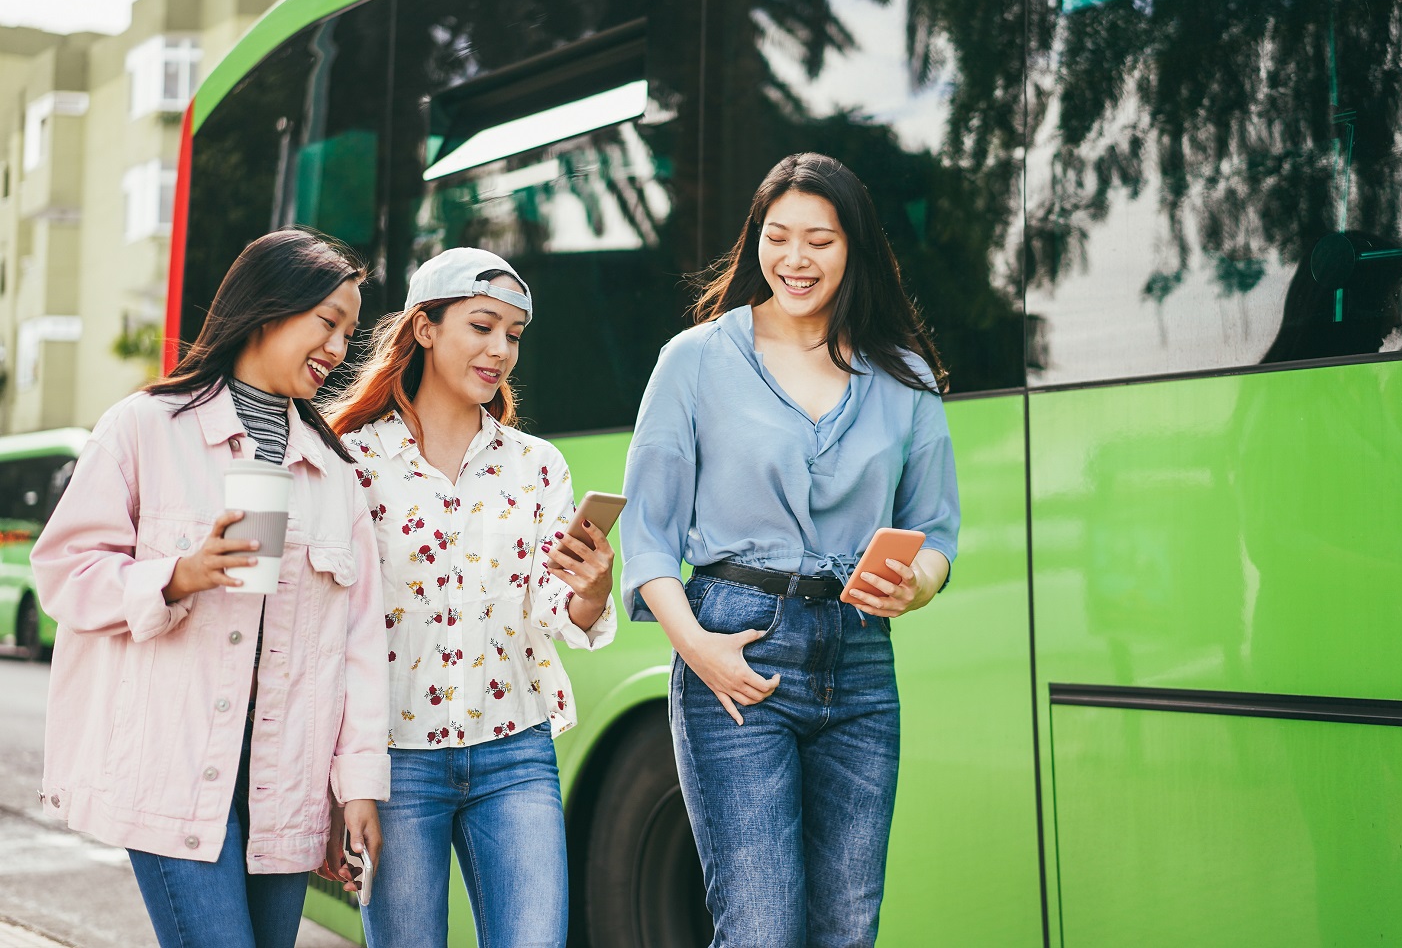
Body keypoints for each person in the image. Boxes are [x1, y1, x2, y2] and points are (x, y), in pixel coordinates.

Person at [621, 152, 961, 947]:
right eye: (778, 237)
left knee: (847, 927)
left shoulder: (904, 374)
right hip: (733, 645)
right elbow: (648, 537)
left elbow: (936, 529)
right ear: (756, 242)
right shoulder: (695, 360)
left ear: (856, 250)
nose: (796, 260)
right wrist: (697, 647)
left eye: (820, 239)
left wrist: (915, 584)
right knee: (762, 928)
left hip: (862, 661)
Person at [31, 229, 390, 948]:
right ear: (268, 310)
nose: (339, 348)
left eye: (350, 332)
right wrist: (176, 576)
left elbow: (360, 641)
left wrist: (357, 784)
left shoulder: (336, 474)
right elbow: (65, 572)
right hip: (172, 769)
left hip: (282, 785)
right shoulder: (145, 427)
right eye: (327, 322)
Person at [326, 248, 617, 948]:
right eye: (483, 326)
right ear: (425, 328)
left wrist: (592, 588)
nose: (501, 350)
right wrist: (343, 776)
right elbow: (331, 626)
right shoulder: (353, 463)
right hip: (395, 760)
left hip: (515, 752)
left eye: (513, 335)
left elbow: (555, 608)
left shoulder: (537, 465)